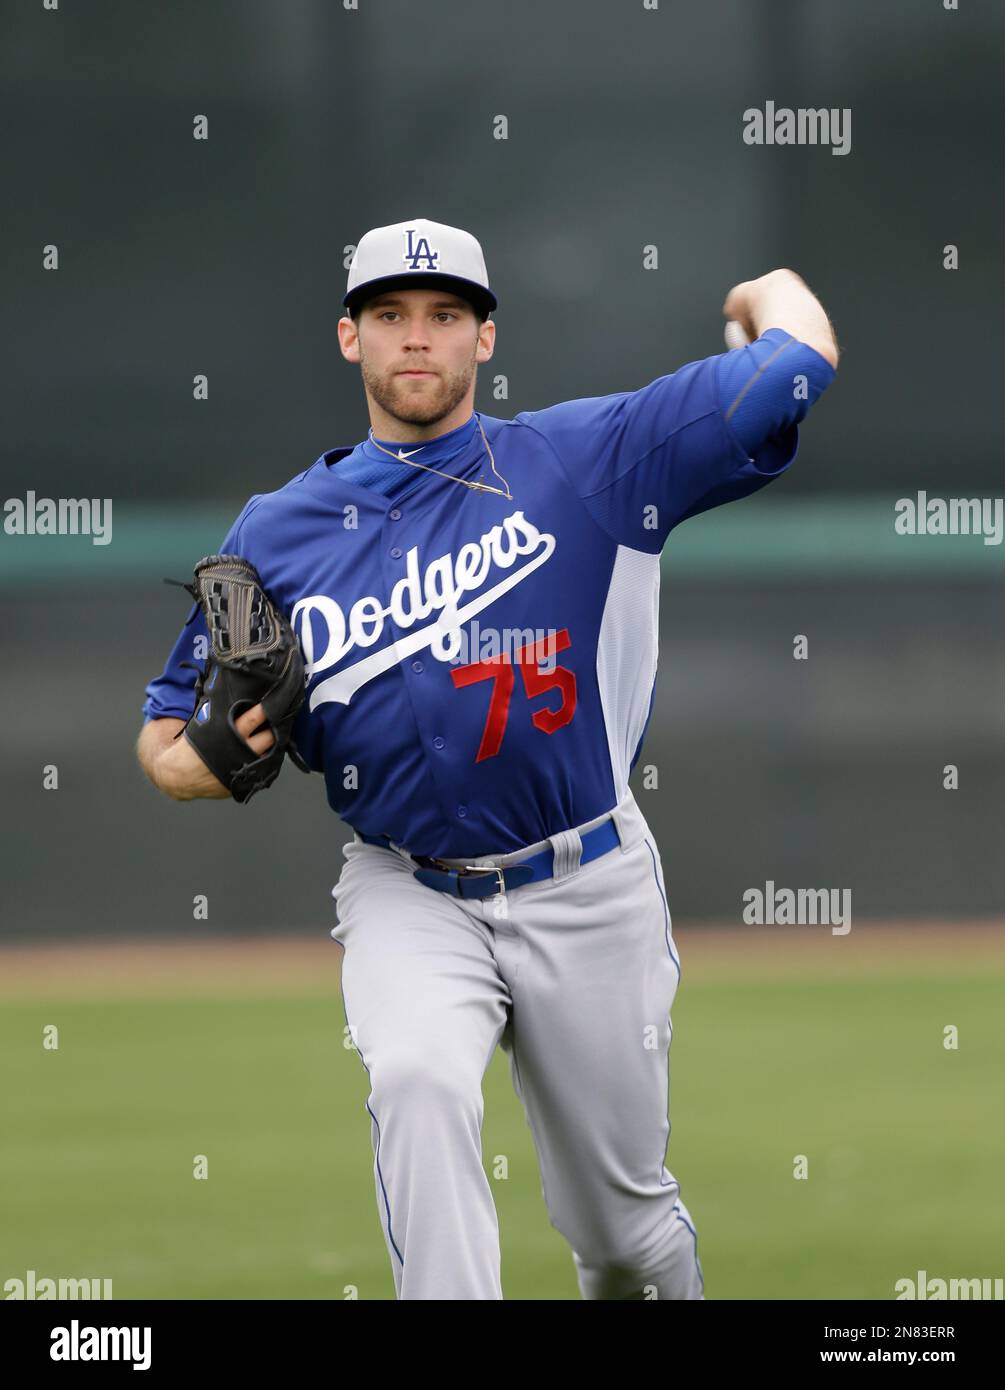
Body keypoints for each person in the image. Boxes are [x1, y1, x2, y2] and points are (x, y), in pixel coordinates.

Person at [138, 217, 839, 1300]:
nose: (417, 338)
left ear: (484, 339)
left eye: (445, 316)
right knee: (417, 1079)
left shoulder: (590, 459)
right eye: (390, 316)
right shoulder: (276, 532)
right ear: (349, 339)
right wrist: (208, 755)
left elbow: (796, 368)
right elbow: (163, 741)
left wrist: (773, 288)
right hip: (406, 886)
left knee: (623, 1238)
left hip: (587, 877)